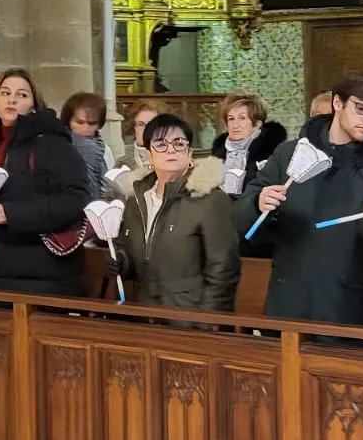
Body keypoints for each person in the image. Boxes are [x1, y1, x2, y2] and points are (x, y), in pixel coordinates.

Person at [235, 74, 363, 325]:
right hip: (290, 298)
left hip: (347, 302)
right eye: (361, 108)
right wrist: (258, 203)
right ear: (337, 103)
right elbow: (241, 222)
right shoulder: (290, 153)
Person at [0, 69, 91, 296]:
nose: (12, 99)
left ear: (33, 105)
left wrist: (11, 213)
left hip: (42, 276)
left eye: (22, 95)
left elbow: (75, 200)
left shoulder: (51, 143)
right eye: (5, 93)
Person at [118, 114, 240, 315]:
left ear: (190, 153)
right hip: (146, 313)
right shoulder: (136, 200)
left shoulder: (210, 200)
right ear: (149, 154)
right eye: (161, 144)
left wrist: (207, 322)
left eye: (179, 143)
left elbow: (223, 270)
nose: (171, 150)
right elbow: (137, 253)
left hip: (190, 315)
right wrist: (123, 263)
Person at [210, 89, 288, 198]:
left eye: (242, 118)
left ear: (257, 124)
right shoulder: (217, 154)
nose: (235, 125)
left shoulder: (272, 153)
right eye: (231, 119)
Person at [61, 92, 116, 199]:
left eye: (91, 123)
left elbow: (110, 185)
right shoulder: (58, 147)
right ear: (69, 121)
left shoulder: (104, 150)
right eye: (80, 122)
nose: (85, 128)